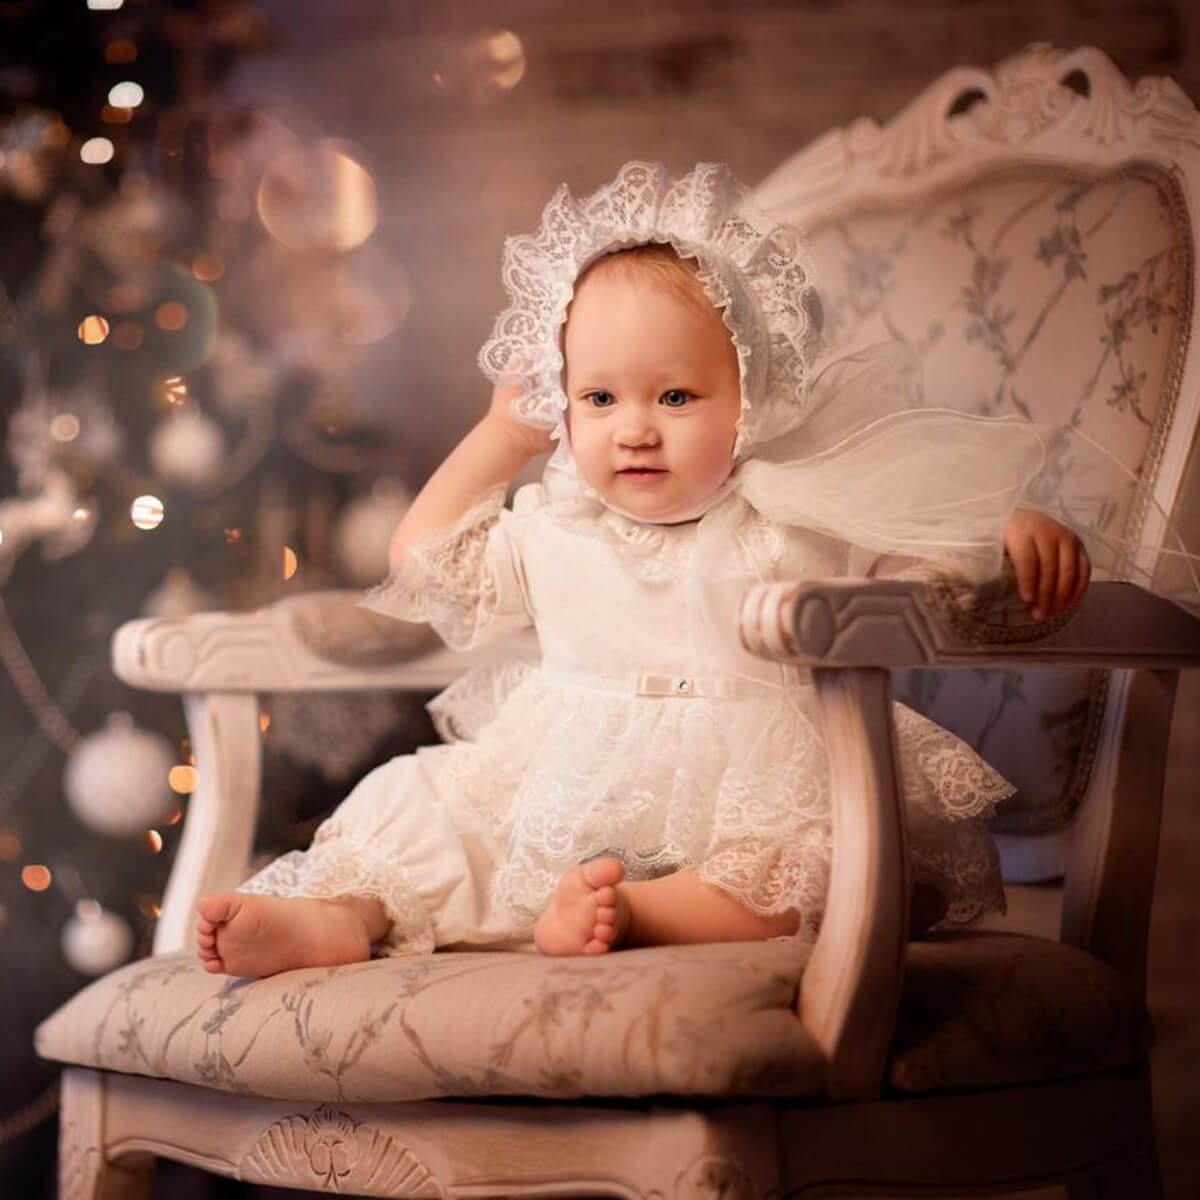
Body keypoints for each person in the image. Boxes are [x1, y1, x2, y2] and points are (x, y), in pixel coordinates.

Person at [195, 162, 1090, 978]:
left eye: (675, 396)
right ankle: (341, 914)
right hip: (564, 786)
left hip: (749, 789)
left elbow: (921, 558)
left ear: (751, 399)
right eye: (598, 398)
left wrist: (1001, 531)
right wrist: (502, 437)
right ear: (563, 407)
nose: (634, 427)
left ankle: (646, 913)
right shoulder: (554, 525)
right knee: (425, 801)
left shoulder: (793, 510)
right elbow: (420, 559)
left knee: (830, 852)